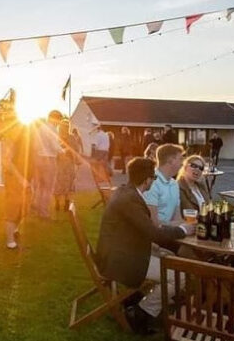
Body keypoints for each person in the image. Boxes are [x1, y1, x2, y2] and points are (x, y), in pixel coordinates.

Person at [95, 158, 194, 335]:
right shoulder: (130, 200)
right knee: (179, 275)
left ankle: (144, 303)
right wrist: (183, 230)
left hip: (121, 250)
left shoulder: (126, 192)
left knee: (169, 257)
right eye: (153, 178)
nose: (154, 181)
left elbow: (146, 230)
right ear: (147, 180)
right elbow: (154, 234)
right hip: (121, 260)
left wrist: (163, 240)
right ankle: (140, 312)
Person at [3, 121, 33, 249]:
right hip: (15, 179)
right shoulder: (11, 139)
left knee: (24, 208)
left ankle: (15, 230)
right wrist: (20, 179)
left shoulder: (28, 138)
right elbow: (7, 162)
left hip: (26, 178)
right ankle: (10, 242)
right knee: (12, 209)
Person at [143, 144, 185, 225]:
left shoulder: (174, 184)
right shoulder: (151, 183)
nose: (182, 163)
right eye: (180, 159)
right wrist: (180, 226)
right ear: (171, 160)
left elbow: (177, 217)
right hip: (154, 235)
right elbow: (153, 223)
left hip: (170, 232)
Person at [33, 110, 63, 220]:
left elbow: (35, 145)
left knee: (40, 186)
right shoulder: (53, 129)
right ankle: (44, 212)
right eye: (59, 120)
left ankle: (37, 206)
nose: (59, 123)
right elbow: (54, 146)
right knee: (48, 187)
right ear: (55, 118)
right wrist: (64, 151)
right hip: (49, 159)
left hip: (38, 158)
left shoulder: (41, 128)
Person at [54, 119, 80, 213]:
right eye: (63, 126)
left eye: (66, 126)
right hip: (60, 163)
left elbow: (76, 150)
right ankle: (59, 203)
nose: (64, 128)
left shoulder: (71, 138)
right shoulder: (56, 137)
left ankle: (65, 202)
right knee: (59, 183)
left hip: (68, 163)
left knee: (67, 183)